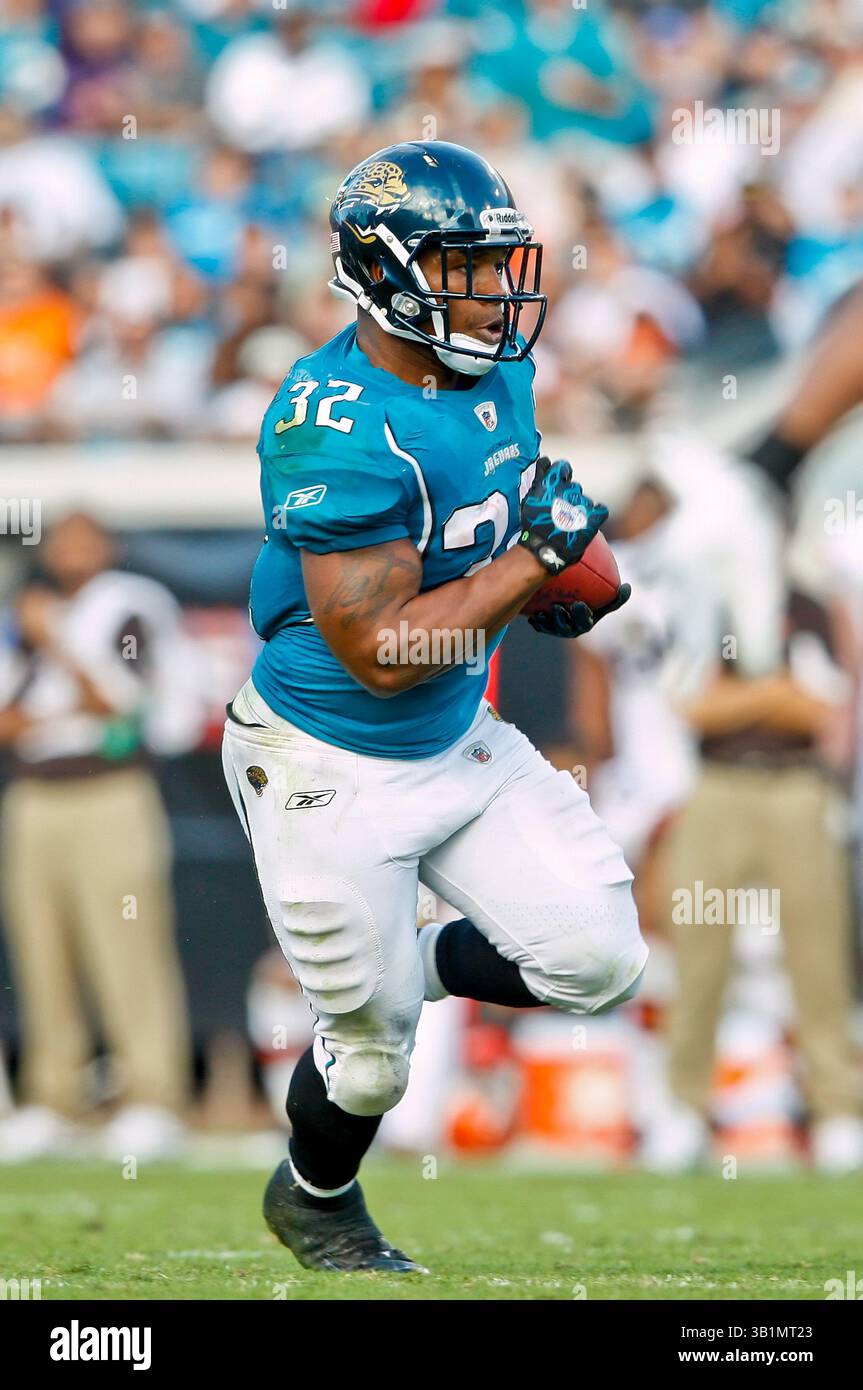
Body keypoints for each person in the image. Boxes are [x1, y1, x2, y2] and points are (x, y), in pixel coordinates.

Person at [222, 140, 646, 1273]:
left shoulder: (494, 370)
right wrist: (527, 566)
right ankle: (315, 1200)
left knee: (597, 959)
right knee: (368, 1058)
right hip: (328, 756)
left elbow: (503, 522)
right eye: (460, 266)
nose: (489, 291)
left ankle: (423, 961)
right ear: (382, 273)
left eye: (494, 263)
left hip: (455, 736)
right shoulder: (331, 421)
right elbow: (380, 654)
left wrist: (554, 576)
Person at [0, 513, 203, 1161]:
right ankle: (53, 1096)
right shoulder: (26, 608)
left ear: (108, 546)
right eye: (61, 539)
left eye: (84, 538)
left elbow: (119, 701)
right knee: (40, 945)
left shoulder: (130, 602)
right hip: (33, 795)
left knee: (127, 943)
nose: (71, 551)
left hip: (109, 790)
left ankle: (152, 1094)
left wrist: (54, 644)